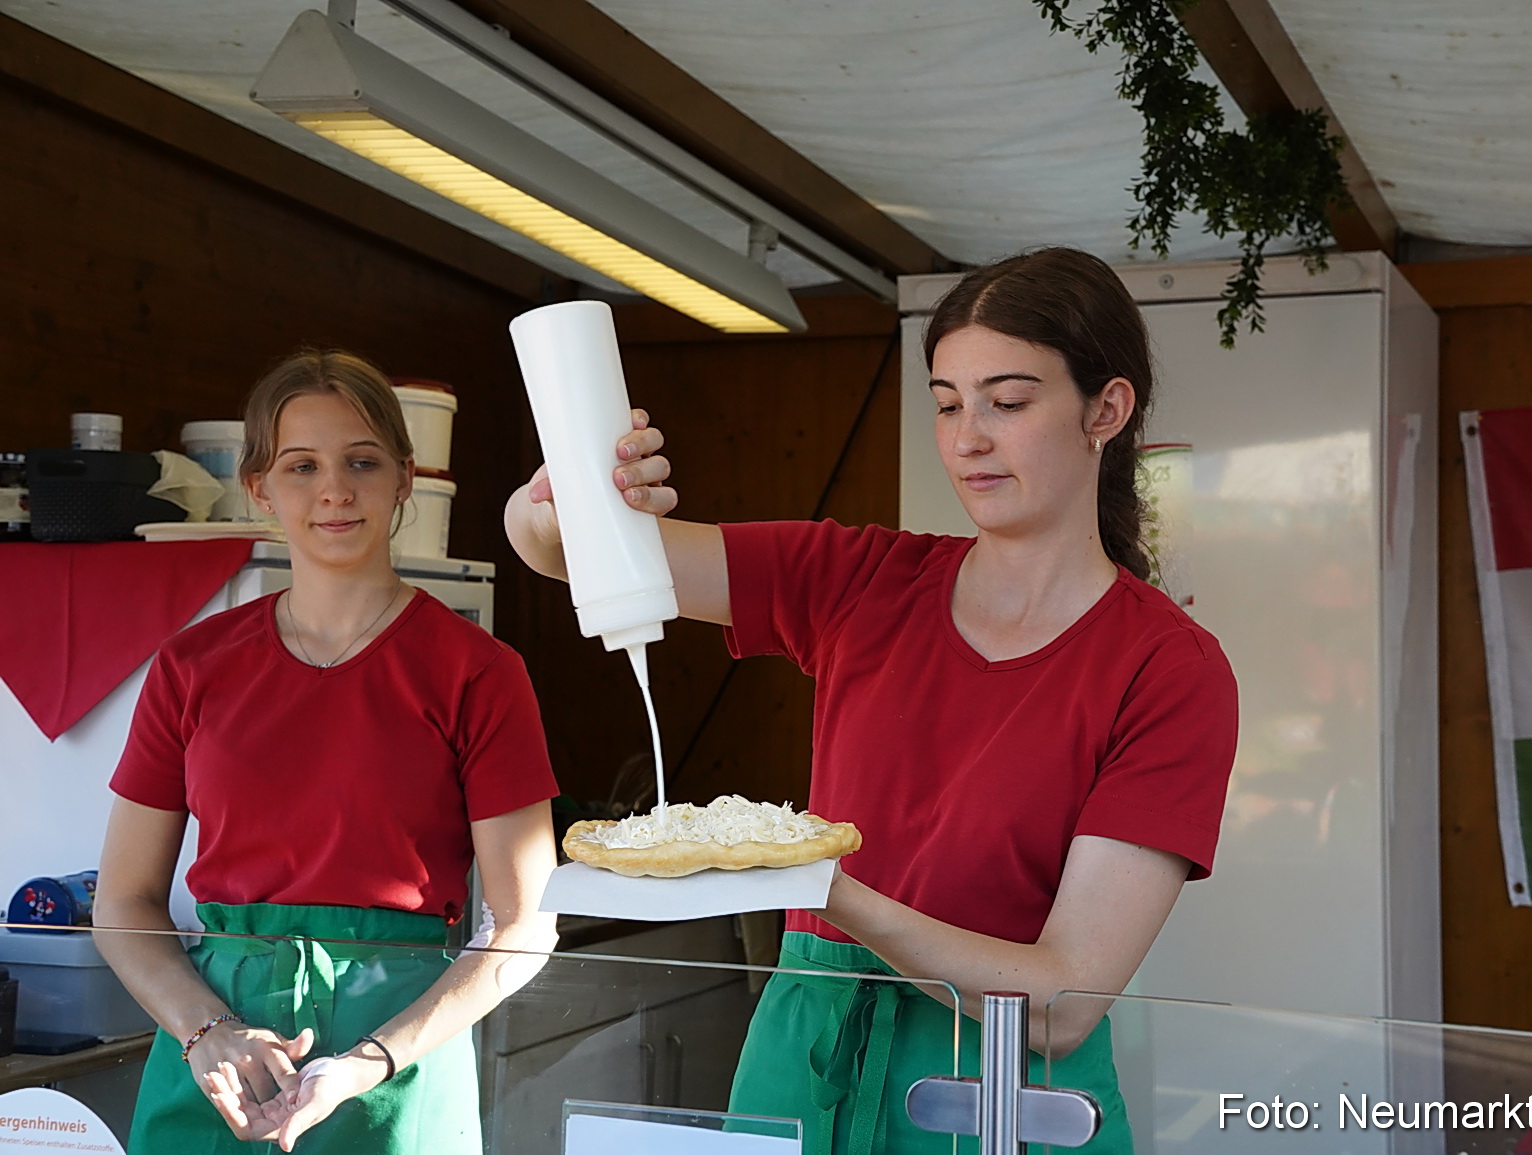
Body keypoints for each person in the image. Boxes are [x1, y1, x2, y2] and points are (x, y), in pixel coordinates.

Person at [505, 246, 1238, 1152]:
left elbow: (1059, 1002)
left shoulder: (1166, 668)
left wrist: (823, 888)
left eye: (1008, 402)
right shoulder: (861, 578)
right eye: (946, 403)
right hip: (806, 1066)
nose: (969, 435)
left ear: (1107, 409)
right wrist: (557, 506)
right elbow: (580, 557)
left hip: (995, 1093)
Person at [95, 350, 560, 1153]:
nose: (335, 489)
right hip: (218, 1066)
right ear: (259, 488)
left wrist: (372, 1060)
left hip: (397, 1060)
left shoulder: (480, 672)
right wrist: (207, 1028)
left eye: (362, 461)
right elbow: (123, 901)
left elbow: (522, 925)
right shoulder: (191, 665)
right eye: (301, 465)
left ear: (405, 479)